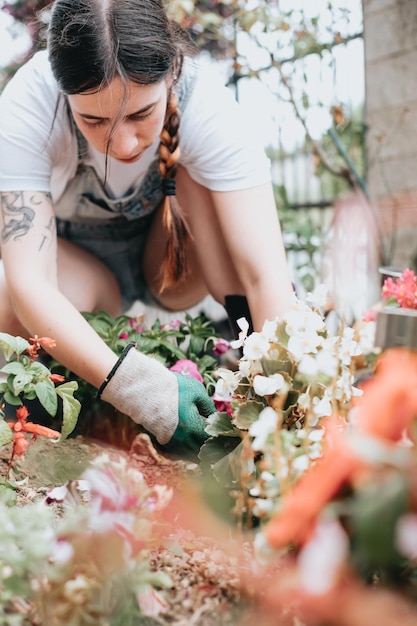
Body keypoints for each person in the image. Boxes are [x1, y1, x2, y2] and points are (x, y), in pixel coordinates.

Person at [0, 0, 294, 460]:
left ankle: (242, 357)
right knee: (7, 301)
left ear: (172, 70)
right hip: (87, 277)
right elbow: (29, 281)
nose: (124, 143)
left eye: (141, 115)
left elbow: (265, 276)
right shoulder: (28, 104)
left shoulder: (208, 104)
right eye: (93, 120)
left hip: (173, 267)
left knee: (203, 178)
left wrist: (282, 400)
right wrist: (140, 391)